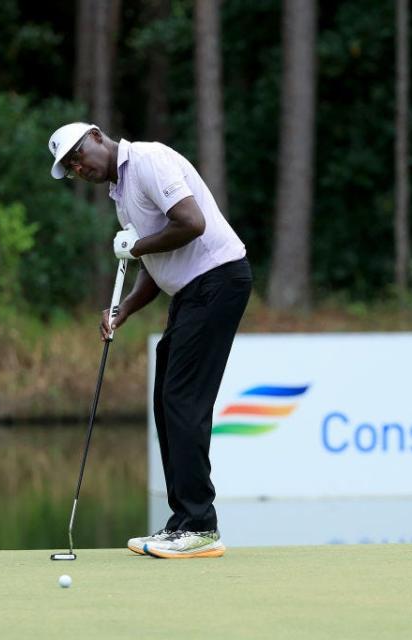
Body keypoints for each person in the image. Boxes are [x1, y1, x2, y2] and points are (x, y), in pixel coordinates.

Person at [47, 122, 251, 558]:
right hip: (192, 291)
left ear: (98, 136)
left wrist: (137, 246)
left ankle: (200, 525)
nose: (80, 167)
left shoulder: (149, 161)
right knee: (166, 399)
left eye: (79, 156)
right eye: (72, 167)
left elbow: (191, 223)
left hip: (217, 280)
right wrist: (122, 311)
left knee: (183, 399)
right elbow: (155, 265)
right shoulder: (121, 194)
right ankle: (183, 523)